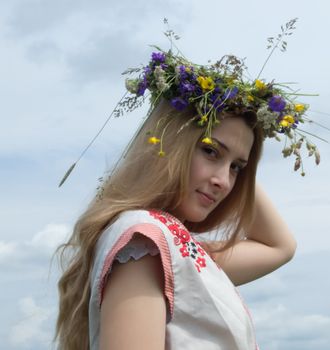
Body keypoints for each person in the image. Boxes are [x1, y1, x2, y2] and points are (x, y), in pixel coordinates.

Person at [55, 40, 313, 349]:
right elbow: (280, 247)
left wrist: (241, 119)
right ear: (167, 144)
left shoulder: (174, 247)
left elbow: (280, 247)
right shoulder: (144, 239)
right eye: (209, 151)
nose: (225, 182)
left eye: (237, 168)